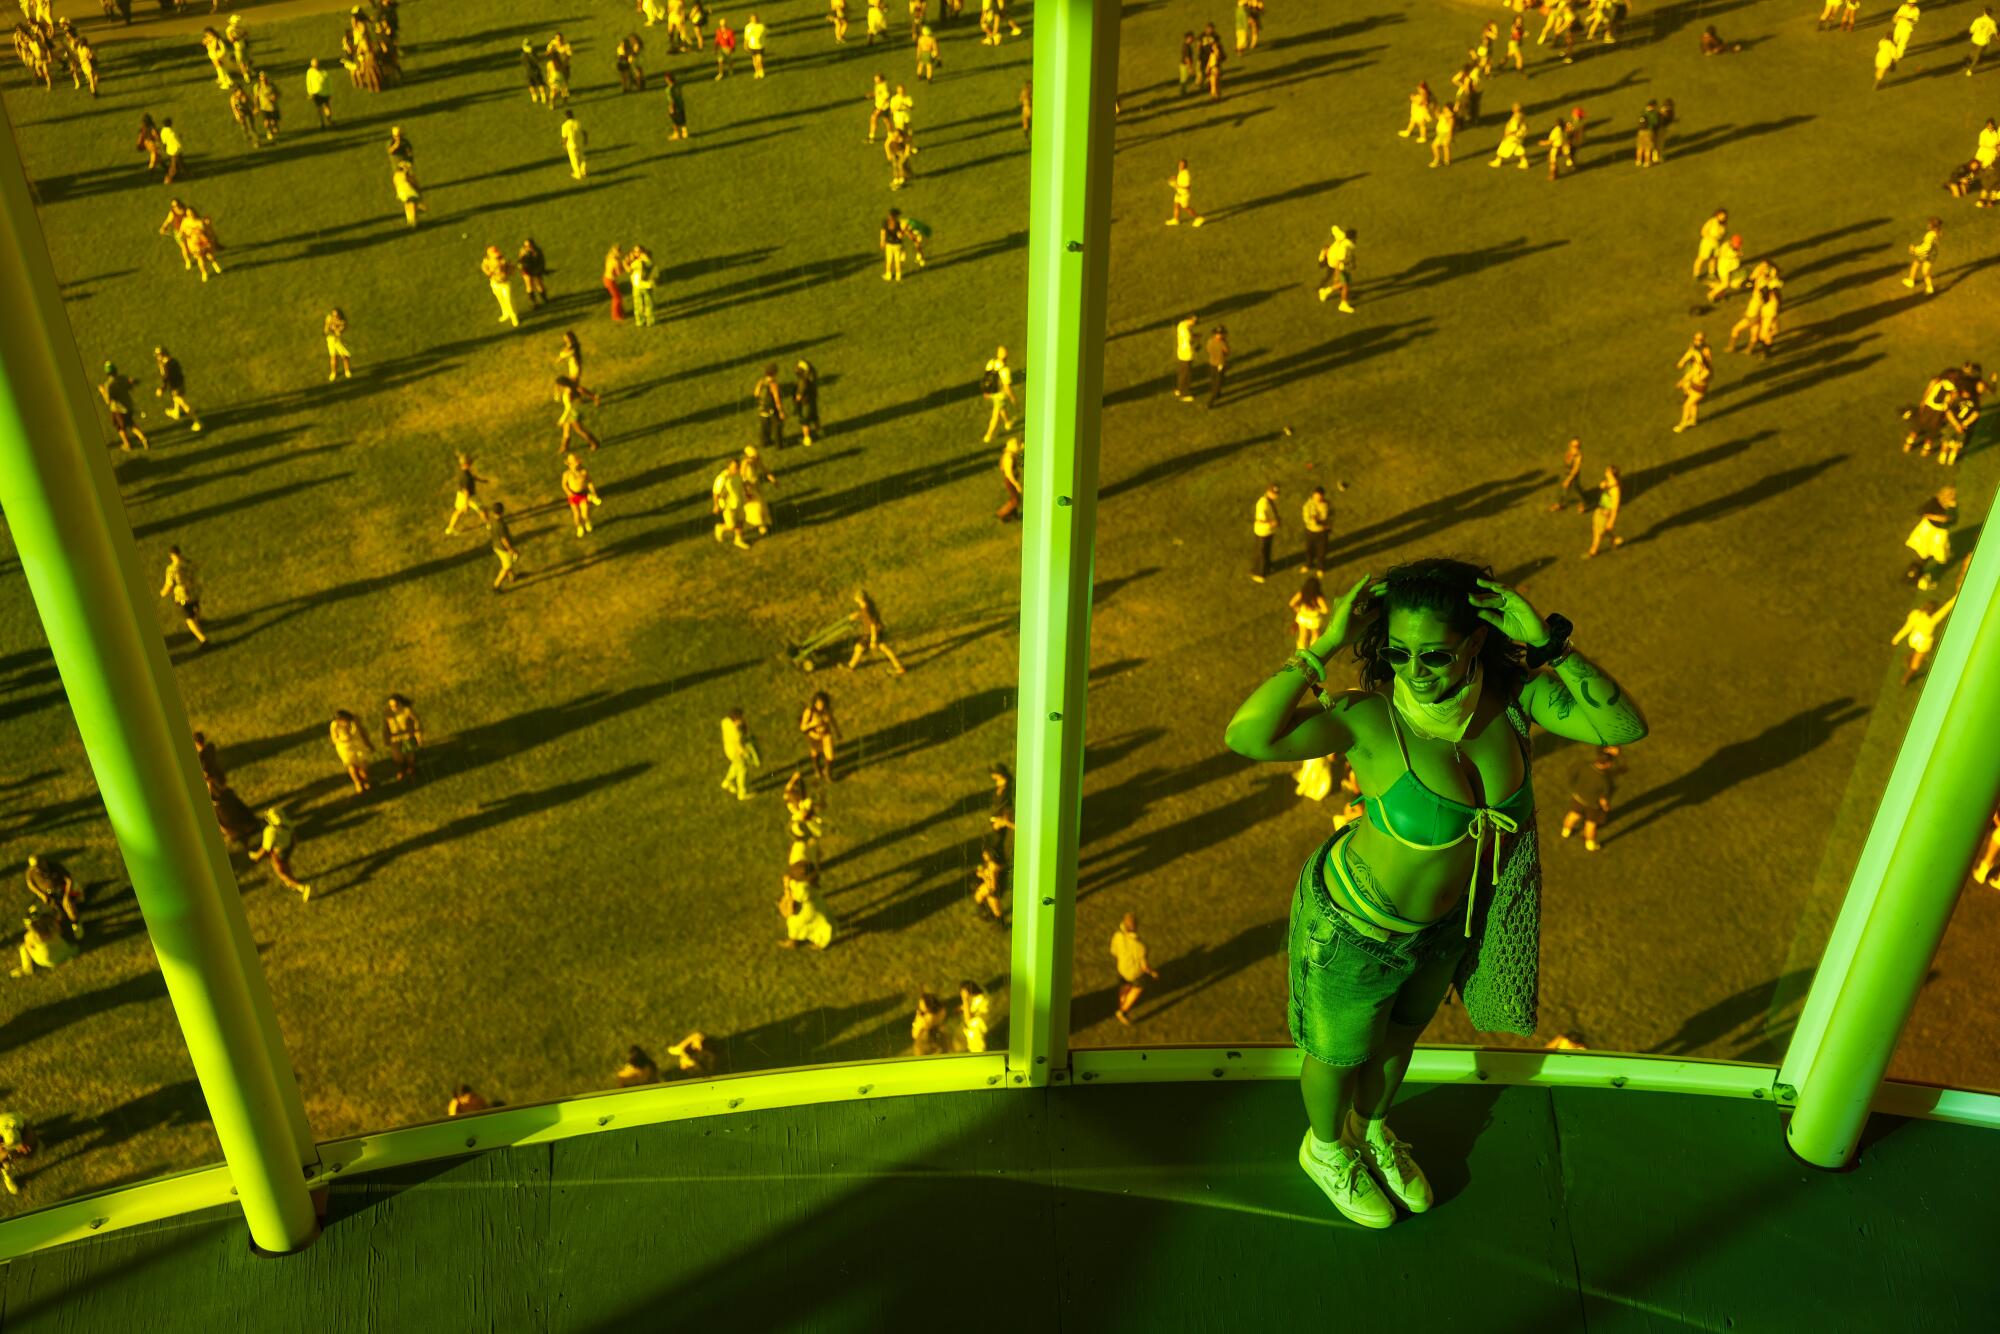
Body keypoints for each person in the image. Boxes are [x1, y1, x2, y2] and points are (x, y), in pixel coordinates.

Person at [1223, 558, 1647, 1228]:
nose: (1414, 672)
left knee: (1399, 1042)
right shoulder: (1369, 719)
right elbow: (1247, 735)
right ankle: (1326, 1148)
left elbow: (1623, 728)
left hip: (1449, 925)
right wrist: (1324, 647)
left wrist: (1551, 646)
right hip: (1355, 932)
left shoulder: (1513, 704)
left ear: (1476, 641)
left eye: (1435, 654)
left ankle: (1373, 1129)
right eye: (1398, 652)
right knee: (1337, 1056)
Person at [1560, 745, 1623, 850]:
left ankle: (1566, 831)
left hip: (1578, 799)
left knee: (1573, 815)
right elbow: (1603, 799)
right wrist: (1606, 807)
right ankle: (1590, 844)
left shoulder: (1584, 766)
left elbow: (1573, 775)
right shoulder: (1604, 781)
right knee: (1591, 825)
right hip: (1592, 806)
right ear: (1607, 764)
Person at [249, 807, 312, 901]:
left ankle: (301, 888)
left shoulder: (270, 831)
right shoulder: (287, 822)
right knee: (285, 864)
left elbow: (266, 849)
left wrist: (256, 856)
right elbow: (294, 836)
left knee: (281, 872)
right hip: (289, 847)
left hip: (279, 853)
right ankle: (291, 879)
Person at [1892, 596, 1957, 687]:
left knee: (1930, 645)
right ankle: (1906, 679)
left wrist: (1896, 638)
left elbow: (1907, 628)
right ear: (1933, 611)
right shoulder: (1933, 620)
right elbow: (1946, 607)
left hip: (1913, 639)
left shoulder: (1915, 614)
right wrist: (1957, 596)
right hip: (1923, 643)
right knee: (1916, 663)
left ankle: (1909, 659)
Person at [1904, 486, 1957, 589]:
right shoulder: (1934, 502)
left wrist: (1951, 510)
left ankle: (1916, 575)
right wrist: (1936, 517)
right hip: (1928, 530)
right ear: (1944, 495)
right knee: (1923, 554)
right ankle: (1915, 576)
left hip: (1939, 534)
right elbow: (1920, 511)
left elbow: (1954, 520)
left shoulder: (1952, 506)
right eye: (1950, 495)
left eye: (1953, 496)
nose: (1952, 497)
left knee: (1934, 554)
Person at [1110, 912, 1159, 1024]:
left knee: (1124, 985)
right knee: (1138, 987)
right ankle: (1123, 1011)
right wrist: (1153, 973)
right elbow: (1145, 967)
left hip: (1121, 968)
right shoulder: (1140, 947)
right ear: (1136, 927)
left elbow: (1113, 951)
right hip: (1134, 973)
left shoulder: (1117, 936)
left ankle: (1122, 1004)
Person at [846, 590, 908, 674]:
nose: (855, 598)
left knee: (859, 647)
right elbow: (867, 613)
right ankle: (899, 667)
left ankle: (850, 666)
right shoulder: (869, 604)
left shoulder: (866, 610)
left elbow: (873, 625)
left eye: (856, 597)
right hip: (879, 629)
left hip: (871, 633)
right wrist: (857, 614)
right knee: (885, 648)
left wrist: (873, 641)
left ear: (859, 599)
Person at [158, 545, 210, 647]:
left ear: (171, 555)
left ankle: (203, 639)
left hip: (183, 596)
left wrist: (162, 593)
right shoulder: (189, 563)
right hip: (195, 591)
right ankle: (199, 620)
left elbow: (169, 585)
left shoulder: (172, 569)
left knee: (189, 618)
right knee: (195, 608)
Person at [778, 858, 834, 949]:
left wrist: (786, 886)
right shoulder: (811, 883)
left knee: (793, 924)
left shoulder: (802, 889)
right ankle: (820, 942)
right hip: (817, 906)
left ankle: (793, 942)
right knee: (819, 923)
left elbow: (791, 900)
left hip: (805, 912)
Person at [24, 855, 82, 937]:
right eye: (34, 867)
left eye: (38, 865)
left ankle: (76, 924)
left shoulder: (55, 867)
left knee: (69, 907)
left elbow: (69, 880)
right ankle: (54, 929)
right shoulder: (31, 872)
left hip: (61, 891)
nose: (37, 868)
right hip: (46, 895)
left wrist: (67, 896)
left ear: (43, 861)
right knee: (35, 913)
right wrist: (41, 894)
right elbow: (30, 884)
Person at [10, 910, 78, 979]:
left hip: (47, 962)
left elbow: (28, 944)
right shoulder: (52, 928)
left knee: (23, 947)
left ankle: (27, 968)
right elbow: (60, 931)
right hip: (66, 953)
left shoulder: (29, 936)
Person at [98, 362, 149, 452]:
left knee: (120, 428)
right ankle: (143, 438)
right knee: (131, 424)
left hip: (118, 410)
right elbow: (130, 386)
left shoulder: (108, 385)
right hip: (128, 406)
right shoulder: (123, 378)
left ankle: (127, 444)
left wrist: (102, 391)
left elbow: (108, 401)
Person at [799, 691, 841, 784]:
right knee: (815, 754)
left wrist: (837, 731)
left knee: (830, 755)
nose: (820, 705)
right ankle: (817, 771)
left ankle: (828, 774)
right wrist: (812, 724)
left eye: (822, 703)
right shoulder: (809, 712)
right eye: (818, 703)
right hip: (814, 737)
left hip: (826, 735)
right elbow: (802, 727)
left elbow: (832, 720)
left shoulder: (827, 710)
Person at [445, 452, 492, 534]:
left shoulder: (463, 470)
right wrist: (466, 504)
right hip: (469, 496)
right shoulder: (465, 477)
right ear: (466, 464)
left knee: (458, 512)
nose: (471, 462)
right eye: (470, 461)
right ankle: (488, 524)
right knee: (482, 509)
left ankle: (450, 528)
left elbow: (472, 476)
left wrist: (481, 480)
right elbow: (466, 491)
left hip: (460, 495)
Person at [712, 457, 752, 549]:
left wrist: (747, 493)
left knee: (741, 521)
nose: (737, 469)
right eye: (735, 467)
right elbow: (716, 492)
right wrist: (716, 505)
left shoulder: (738, 475)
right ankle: (720, 528)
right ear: (729, 466)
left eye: (738, 467)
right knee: (731, 525)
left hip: (739, 502)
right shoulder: (722, 478)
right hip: (728, 506)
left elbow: (742, 483)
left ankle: (738, 540)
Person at [1582, 467, 1622, 559]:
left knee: (1598, 533)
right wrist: (1601, 487)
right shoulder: (1607, 483)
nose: (1606, 471)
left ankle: (1593, 551)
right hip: (1599, 509)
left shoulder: (1615, 490)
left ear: (1612, 474)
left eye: (1608, 471)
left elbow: (1615, 507)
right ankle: (1615, 539)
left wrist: (1611, 521)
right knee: (1598, 529)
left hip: (1606, 512)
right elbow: (1601, 495)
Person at [330, 709, 373, 793]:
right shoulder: (335, 725)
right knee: (352, 767)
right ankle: (358, 783)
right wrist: (343, 739)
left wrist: (369, 744)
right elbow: (334, 739)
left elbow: (362, 732)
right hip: (345, 748)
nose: (341, 722)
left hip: (359, 746)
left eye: (342, 719)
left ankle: (366, 780)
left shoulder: (355, 721)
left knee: (363, 767)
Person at [560, 452, 601, 536]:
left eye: (576, 463)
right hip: (573, 495)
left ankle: (587, 522)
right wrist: (568, 492)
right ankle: (579, 527)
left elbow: (589, 482)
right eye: (572, 463)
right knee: (576, 514)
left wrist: (593, 492)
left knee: (585, 513)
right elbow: (564, 484)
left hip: (583, 494)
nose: (575, 465)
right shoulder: (566, 474)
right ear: (569, 464)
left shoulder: (583, 472)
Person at [981, 346, 1017, 441]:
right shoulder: (1005, 370)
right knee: (995, 416)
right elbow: (1007, 387)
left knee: (1002, 408)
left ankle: (1007, 423)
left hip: (991, 393)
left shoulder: (991, 363)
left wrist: (986, 391)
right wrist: (1013, 397)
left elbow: (986, 377)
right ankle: (988, 435)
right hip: (999, 395)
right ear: (1007, 357)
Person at [383, 695, 423, 781]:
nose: (393, 708)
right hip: (395, 738)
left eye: (396, 705)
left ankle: (411, 769)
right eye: (391, 706)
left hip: (407, 735)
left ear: (400, 703)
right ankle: (402, 769)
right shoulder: (388, 713)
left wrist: (417, 734)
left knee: (409, 754)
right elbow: (385, 726)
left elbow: (416, 721)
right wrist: (386, 737)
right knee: (397, 756)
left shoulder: (407, 710)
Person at [1318, 225, 1356, 311]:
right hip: (1342, 267)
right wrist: (1337, 272)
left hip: (1342, 266)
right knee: (1344, 284)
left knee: (1345, 284)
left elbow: (1334, 228)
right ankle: (1329, 294)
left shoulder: (1347, 243)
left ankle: (1341, 300)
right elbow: (1340, 260)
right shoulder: (1346, 246)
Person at [740, 444, 776, 535]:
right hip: (748, 487)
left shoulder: (757, 461)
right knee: (756, 505)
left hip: (756, 485)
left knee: (762, 504)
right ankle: (761, 525)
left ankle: (764, 522)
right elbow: (741, 477)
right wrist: (746, 489)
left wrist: (773, 479)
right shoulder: (745, 463)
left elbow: (765, 470)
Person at [0, 1112, 39, 1195]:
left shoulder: (20, 1123)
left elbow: (28, 1131)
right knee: (4, 1160)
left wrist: (28, 1145)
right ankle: (7, 1177)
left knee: (30, 1148)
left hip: (14, 1121)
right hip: (6, 1124)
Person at [1290, 574, 1329, 652]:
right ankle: (1313, 651)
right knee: (1315, 635)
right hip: (1314, 619)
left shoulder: (1302, 593)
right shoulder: (1318, 597)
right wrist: (1318, 609)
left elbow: (1291, 603)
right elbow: (1325, 610)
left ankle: (1301, 652)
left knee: (1302, 635)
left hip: (1302, 617)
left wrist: (1297, 608)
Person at [482, 246, 520, 328]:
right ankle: (506, 313)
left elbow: (512, 269)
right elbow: (484, 268)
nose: (496, 256)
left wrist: (507, 269)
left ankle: (514, 316)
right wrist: (489, 272)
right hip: (495, 283)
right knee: (501, 300)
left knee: (508, 300)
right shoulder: (486, 261)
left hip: (505, 283)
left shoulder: (503, 261)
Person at [1250, 482, 1281, 583]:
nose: (1276, 496)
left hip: (1269, 531)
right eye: (1274, 493)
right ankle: (1259, 573)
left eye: (1276, 493)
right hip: (1262, 532)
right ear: (1268, 492)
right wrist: (1273, 522)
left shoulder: (1269, 501)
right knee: (1261, 553)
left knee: (1267, 551)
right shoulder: (1262, 503)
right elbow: (1260, 519)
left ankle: (1267, 567)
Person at [1903, 217, 1941, 295]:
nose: (1928, 224)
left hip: (1926, 254)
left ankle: (1913, 282)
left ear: (1932, 226)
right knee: (1919, 266)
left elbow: (1926, 248)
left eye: (1929, 224)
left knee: (1923, 270)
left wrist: (1914, 250)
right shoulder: (1938, 232)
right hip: (1932, 255)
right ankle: (1926, 286)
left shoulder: (1930, 236)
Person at [490, 502, 522, 591]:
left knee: (508, 562)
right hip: (503, 549)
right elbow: (504, 540)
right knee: (506, 567)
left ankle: (513, 577)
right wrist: (511, 549)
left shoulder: (492, 521)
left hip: (495, 546)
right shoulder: (501, 525)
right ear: (502, 511)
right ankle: (496, 586)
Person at [753, 362, 786, 448]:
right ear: (774, 373)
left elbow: (756, 393)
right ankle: (779, 445)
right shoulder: (773, 384)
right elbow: (777, 400)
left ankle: (764, 443)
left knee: (764, 428)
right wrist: (781, 411)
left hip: (762, 409)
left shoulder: (761, 382)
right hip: (772, 409)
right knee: (777, 427)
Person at [1550, 438, 1586, 513]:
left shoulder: (1578, 455)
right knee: (1561, 488)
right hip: (1565, 473)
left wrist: (1568, 479)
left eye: (1577, 445)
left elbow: (1575, 469)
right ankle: (1559, 503)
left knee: (1575, 489)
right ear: (1570, 445)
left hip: (1573, 475)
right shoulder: (1568, 452)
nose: (1575, 447)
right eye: (1573, 445)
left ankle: (1581, 503)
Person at [1165, 157, 1204, 226]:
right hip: (1179, 193)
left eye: (1181, 165)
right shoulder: (1181, 171)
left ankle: (1198, 218)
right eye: (1179, 164)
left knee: (1186, 208)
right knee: (1176, 205)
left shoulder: (1186, 175)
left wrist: (1176, 185)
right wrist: (1175, 178)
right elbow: (1180, 177)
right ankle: (1175, 220)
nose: (1180, 166)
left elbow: (1188, 187)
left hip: (1184, 194)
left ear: (1185, 166)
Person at [1301, 485, 1331, 573]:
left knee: (1322, 551)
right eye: (1316, 496)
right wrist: (1314, 521)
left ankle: (1320, 568)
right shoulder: (1308, 505)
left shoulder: (1327, 504)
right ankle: (1308, 565)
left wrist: (1328, 524)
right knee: (1309, 550)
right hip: (1311, 531)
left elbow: (1332, 515)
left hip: (1322, 532)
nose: (1318, 498)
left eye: (1320, 496)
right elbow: (1306, 518)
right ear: (1313, 495)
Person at [793, 360, 821, 446]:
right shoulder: (812, 377)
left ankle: (807, 438)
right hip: (812, 402)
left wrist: (796, 402)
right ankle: (819, 432)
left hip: (805, 404)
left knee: (805, 422)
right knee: (815, 417)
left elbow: (799, 396)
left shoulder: (803, 382)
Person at [1173, 313, 1199, 401]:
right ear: (1189, 319)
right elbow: (1188, 342)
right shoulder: (1186, 330)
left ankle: (1180, 389)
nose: (1195, 322)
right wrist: (1196, 347)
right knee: (1186, 374)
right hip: (1186, 354)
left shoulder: (1181, 325)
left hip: (1181, 353)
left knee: (1182, 373)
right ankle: (1184, 394)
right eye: (1193, 320)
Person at [997, 434, 1024, 522]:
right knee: (1015, 500)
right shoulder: (1009, 458)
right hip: (1010, 481)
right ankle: (1002, 513)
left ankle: (1013, 515)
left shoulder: (1009, 454)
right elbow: (1009, 474)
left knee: (1015, 498)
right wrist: (1017, 485)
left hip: (1010, 480)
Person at [959, 981, 991, 1052]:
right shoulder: (979, 995)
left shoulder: (980, 1001)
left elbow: (968, 1019)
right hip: (978, 1019)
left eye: (963, 993)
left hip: (978, 1025)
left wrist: (965, 1000)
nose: (961, 994)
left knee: (976, 1045)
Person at [392, 159, 425, 228]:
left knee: (407, 206)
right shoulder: (406, 175)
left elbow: (395, 184)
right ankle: (414, 223)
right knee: (413, 206)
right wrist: (418, 189)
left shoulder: (396, 175)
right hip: (409, 192)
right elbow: (412, 183)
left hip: (401, 193)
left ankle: (410, 221)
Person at [324, 308, 353, 380]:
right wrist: (329, 325)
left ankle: (347, 371)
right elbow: (326, 331)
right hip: (331, 340)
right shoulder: (329, 318)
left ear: (340, 315)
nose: (335, 317)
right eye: (333, 315)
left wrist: (334, 327)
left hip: (340, 341)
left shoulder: (343, 322)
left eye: (336, 315)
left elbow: (338, 333)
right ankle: (333, 373)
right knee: (333, 357)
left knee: (344, 357)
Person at [881, 208, 908, 281]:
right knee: (897, 261)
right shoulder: (898, 223)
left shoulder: (885, 222)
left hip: (889, 244)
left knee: (889, 260)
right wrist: (904, 230)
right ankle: (898, 276)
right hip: (897, 245)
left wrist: (882, 242)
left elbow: (883, 233)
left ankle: (888, 275)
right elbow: (900, 236)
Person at [306, 56, 334, 127]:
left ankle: (329, 120)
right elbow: (308, 83)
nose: (315, 67)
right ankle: (322, 122)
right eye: (314, 65)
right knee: (319, 109)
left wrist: (330, 93)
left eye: (316, 65)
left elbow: (329, 83)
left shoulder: (324, 72)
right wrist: (310, 93)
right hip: (316, 94)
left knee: (327, 107)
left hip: (325, 93)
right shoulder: (310, 72)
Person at [1970, 7, 1997, 75]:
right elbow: (1995, 32)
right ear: (1990, 13)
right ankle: (1970, 69)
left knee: (1974, 53)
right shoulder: (1992, 22)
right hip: (1983, 41)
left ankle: (1970, 61)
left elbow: (1971, 30)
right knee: (1978, 55)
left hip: (1975, 39)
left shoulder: (1977, 20)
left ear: (1984, 12)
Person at [521, 39, 547, 105]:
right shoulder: (532, 52)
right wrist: (545, 55)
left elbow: (523, 63)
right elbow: (537, 60)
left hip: (528, 72)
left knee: (531, 85)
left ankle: (534, 96)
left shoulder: (523, 55)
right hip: (535, 71)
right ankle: (543, 96)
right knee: (540, 84)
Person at [664, 71, 688, 141]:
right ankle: (685, 133)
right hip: (681, 104)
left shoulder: (669, 89)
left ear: (668, 79)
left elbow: (672, 100)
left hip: (675, 106)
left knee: (675, 121)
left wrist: (671, 108)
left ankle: (676, 134)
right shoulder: (678, 85)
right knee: (682, 120)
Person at [713, 14, 737, 79]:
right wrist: (715, 48)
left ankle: (731, 70)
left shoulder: (730, 31)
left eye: (724, 24)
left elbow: (732, 40)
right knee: (720, 61)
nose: (723, 25)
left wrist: (731, 48)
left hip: (727, 48)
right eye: (722, 24)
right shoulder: (718, 31)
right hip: (721, 48)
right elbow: (717, 40)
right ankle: (721, 73)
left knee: (729, 61)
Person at [745, 12, 768, 77]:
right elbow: (746, 37)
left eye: (755, 18)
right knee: (754, 60)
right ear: (750, 19)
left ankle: (761, 70)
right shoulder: (748, 27)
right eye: (752, 19)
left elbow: (765, 33)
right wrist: (745, 45)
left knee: (759, 60)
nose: (754, 20)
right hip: (752, 45)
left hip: (760, 46)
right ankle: (757, 71)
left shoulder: (761, 26)